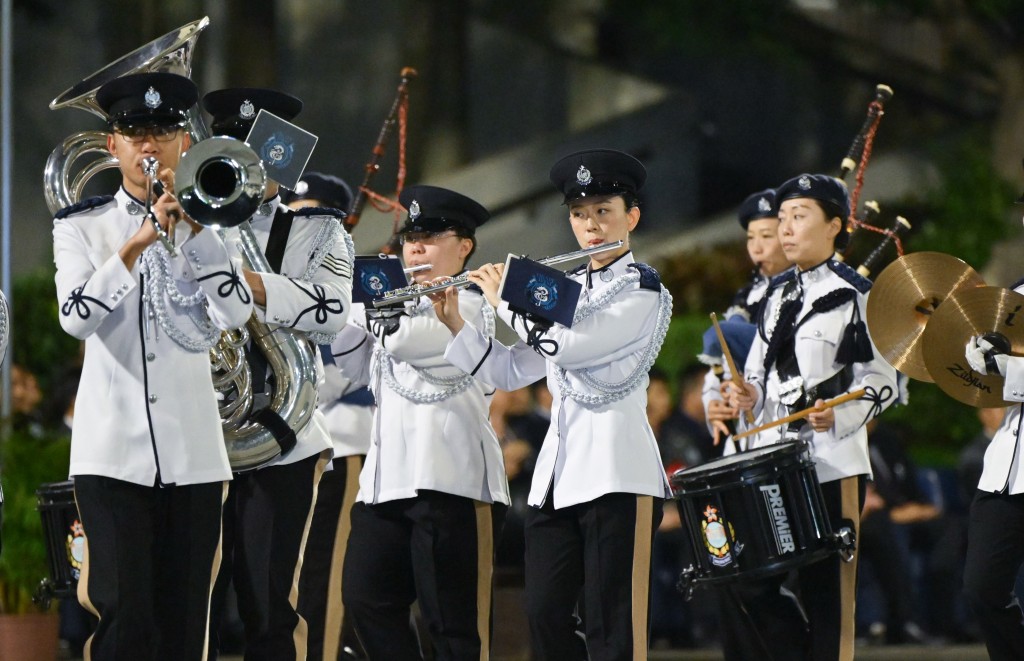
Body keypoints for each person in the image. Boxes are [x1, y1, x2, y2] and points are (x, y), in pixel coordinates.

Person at [433, 148, 674, 660]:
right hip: (557, 480)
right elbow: (509, 370)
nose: (590, 225)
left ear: (631, 217)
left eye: (604, 211)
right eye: (580, 214)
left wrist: (506, 303)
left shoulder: (644, 290)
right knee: (543, 613)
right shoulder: (565, 291)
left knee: (614, 627)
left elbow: (573, 347)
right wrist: (455, 321)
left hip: (617, 475)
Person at [52, 71, 255, 660]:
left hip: (193, 455)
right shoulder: (80, 227)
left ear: (183, 143)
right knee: (123, 616)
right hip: (111, 456)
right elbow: (74, 316)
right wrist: (136, 244)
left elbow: (238, 312)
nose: (149, 145)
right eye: (134, 132)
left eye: (163, 132)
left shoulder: (216, 224)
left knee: (186, 622)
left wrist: (194, 237)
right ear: (111, 145)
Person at [201, 88, 354, 661]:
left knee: (267, 603)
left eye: (256, 154)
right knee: (194, 602)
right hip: (196, 435)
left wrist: (249, 284)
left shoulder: (317, 229)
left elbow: (336, 311)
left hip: (279, 437)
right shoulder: (186, 228)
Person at [725, 172, 898, 660]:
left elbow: (884, 380)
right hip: (773, 459)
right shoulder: (777, 296)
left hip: (831, 461)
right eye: (781, 219)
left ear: (834, 226)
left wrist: (839, 415)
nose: (785, 229)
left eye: (799, 217)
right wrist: (747, 396)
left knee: (828, 597)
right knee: (750, 579)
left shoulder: (858, 295)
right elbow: (758, 373)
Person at [332, 184, 510, 660]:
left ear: (465, 246)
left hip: (451, 484)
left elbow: (402, 340)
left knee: (453, 628)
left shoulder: (467, 303)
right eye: (411, 237)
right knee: (365, 599)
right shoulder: (395, 303)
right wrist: (344, 305)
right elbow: (352, 364)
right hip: (385, 484)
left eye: (431, 236)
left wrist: (362, 299)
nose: (416, 247)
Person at [282, 172, 370, 661]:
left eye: (308, 216)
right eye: (291, 216)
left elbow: (352, 367)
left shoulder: (356, 278)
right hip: (282, 445)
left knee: (325, 574)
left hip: (340, 441)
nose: (297, 225)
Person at [960, 222, 1024, 658]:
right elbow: (990, 376)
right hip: (1007, 467)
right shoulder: (1016, 293)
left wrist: (1006, 367)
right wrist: (978, 356)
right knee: (982, 587)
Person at [700, 188, 790, 449]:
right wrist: (713, 403)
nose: (757, 247)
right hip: (746, 436)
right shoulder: (745, 298)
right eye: (751, 238)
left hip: (786, 427)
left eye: (766, 236)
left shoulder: (805, 290)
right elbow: (718, 368)